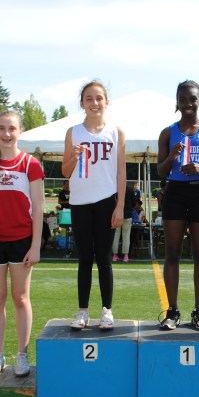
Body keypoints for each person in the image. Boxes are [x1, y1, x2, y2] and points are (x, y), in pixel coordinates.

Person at [0, 111, 44, 378]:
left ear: (20, 131)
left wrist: (35, 246)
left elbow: (38, 207)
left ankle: (22, 355)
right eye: (1, 128)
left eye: (11, 128)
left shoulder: (30, 164)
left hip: (22, 240)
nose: (6, 133)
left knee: (20, 297)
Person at [156, 80, 199, 330]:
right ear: (177, 102)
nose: (188, 104)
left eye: (192, 99)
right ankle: (172, 311)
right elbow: (161, 170)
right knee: (172, 253)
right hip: (174, 191)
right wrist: (172, 156)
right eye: (183, 99)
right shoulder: (167, 132)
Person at [61, 80, 126, 330]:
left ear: (106, 102)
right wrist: (74, 157)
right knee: (85, 257)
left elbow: (121, 173)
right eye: (89, 98)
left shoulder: (116, 132)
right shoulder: (73, 132)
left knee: (104, 257)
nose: (94, 103)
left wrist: (120, 206)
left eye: (99, 98)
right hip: (80, 202)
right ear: (82, 104)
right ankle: (83, 311)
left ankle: (107, 310)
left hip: (106, 201)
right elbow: (66, 172)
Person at [112, 181, 135, 262]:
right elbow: (134, 202)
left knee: (116, 235)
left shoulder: (115, 189)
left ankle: (115, 255)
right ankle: (125, 256)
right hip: (127, 215)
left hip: (117, 215)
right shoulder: (130, 189)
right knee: (126, 236)